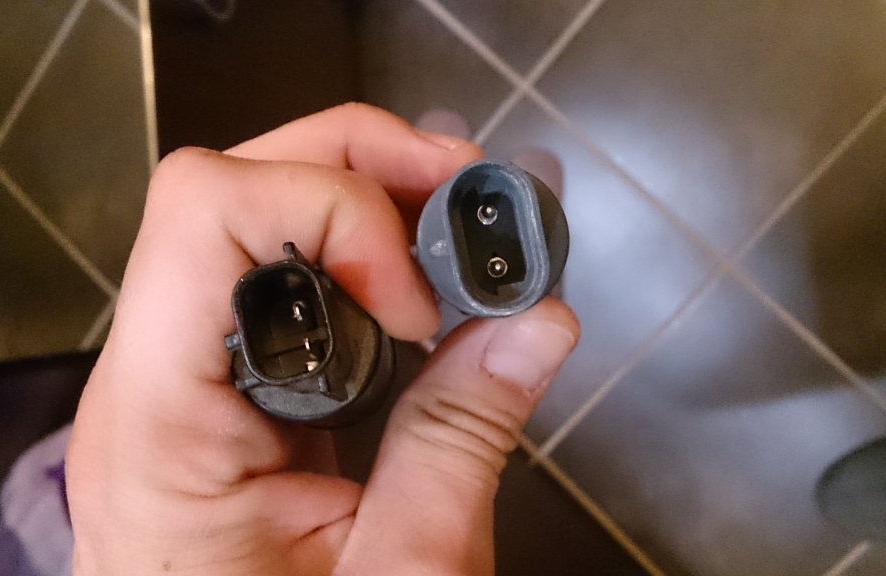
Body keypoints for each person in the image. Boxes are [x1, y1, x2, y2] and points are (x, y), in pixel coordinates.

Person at [65, 103, 580, 575]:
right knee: (413, 293)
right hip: (342, 414)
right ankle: (457, 237)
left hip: (338, 404)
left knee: (409, 287)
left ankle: (447, 231)